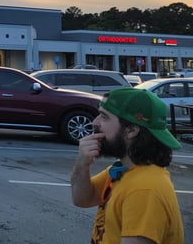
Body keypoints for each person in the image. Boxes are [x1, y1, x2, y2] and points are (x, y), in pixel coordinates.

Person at [71, 88, 184, 244]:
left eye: (104, 116)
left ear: (131, 130)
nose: (95, 122)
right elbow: (82, 200)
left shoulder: (144, 189)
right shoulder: (125, 170)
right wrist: (82, 163)